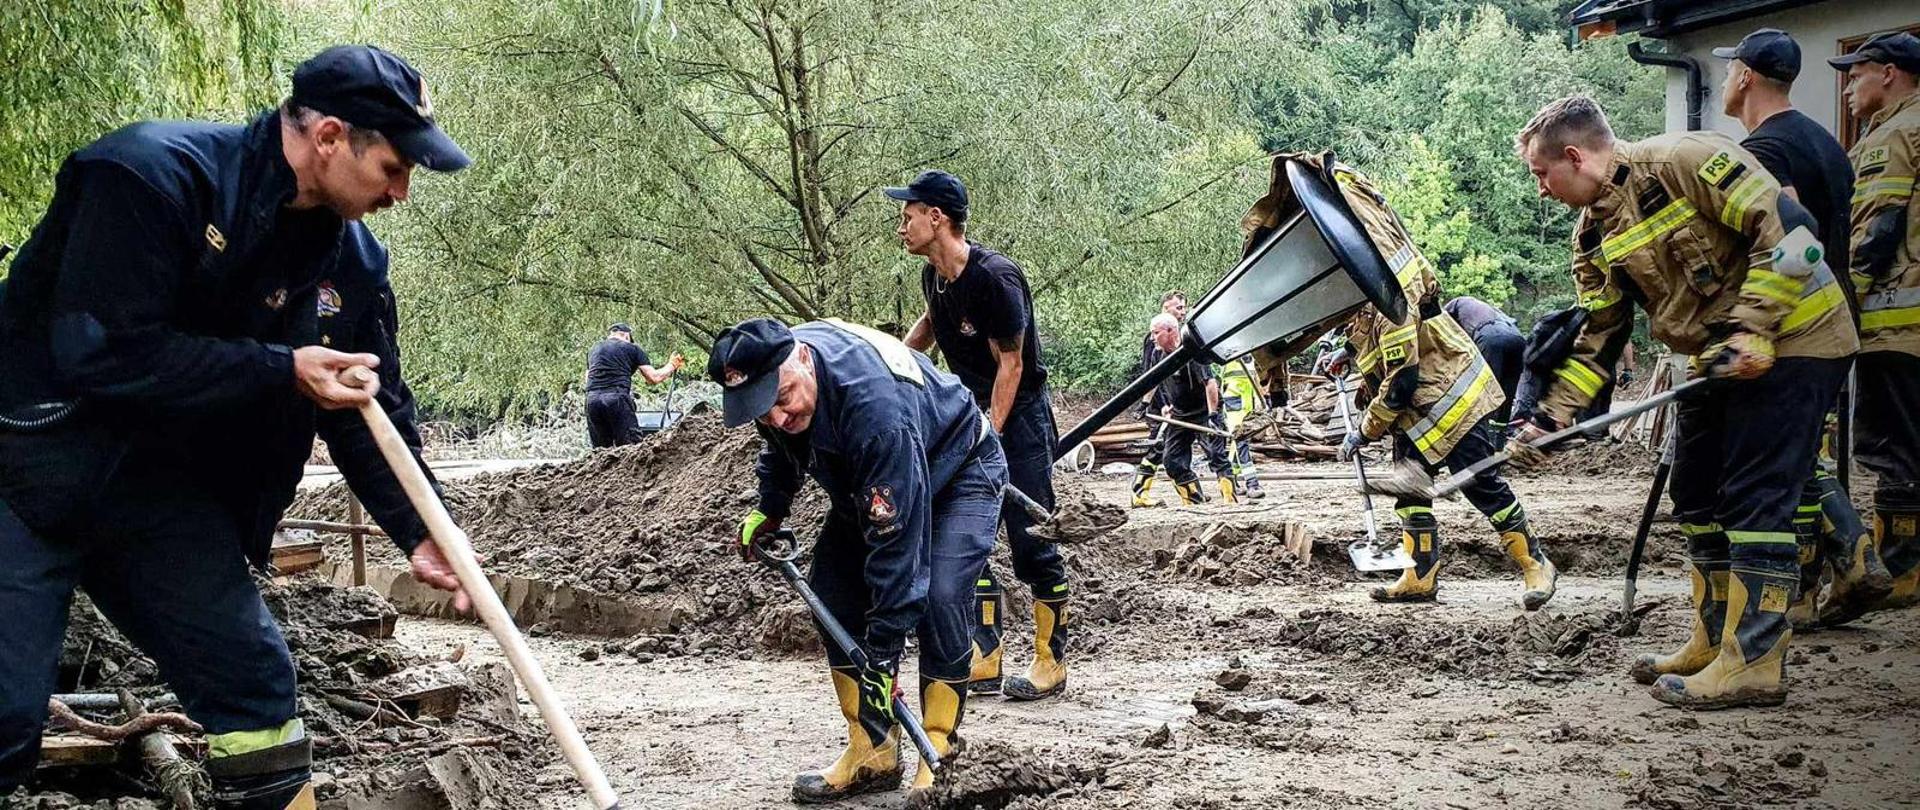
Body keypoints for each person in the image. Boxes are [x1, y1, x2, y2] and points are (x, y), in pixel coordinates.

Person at [0, 45, 471, 808]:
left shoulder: (351, 264)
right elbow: (101, 352)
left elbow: (366, 410)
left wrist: (425, 530)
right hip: (27, 464)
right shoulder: (147, 177)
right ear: (328, 138)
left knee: (252, 685)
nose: (403, 192)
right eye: (393, 167)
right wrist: (281, 370)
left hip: (153, 494)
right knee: (5, 719)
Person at [1513, 95, 1856, 709]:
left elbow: (1792, 233)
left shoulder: (1684, 160)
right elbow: (1600, 337)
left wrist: (1753, 327)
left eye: (1542, 174)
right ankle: (1712, 638)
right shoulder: (1592, 235)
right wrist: (1552, 417)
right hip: (1714, 361)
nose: (1541, 189)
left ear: (1573, 155)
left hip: (1798, 338)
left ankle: (1752, 661)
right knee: (1695, 493)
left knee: (1755, 497)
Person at [721, 317, 1007, 802]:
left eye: (783, 399)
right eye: (761, 410)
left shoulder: (875, 413)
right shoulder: (781, 384)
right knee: (832, 586)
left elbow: (896, 554)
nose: (777, 418)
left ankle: (940, 752)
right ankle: (871, 750)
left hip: (961, 468)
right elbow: (779, 445)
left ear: (804, 360)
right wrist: (770, 506)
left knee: (938, 597)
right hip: (882, 473)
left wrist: (882, 654)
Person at [1315, 164, 1553, 612]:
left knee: (1483, 485)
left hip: (1453, 405)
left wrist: (1362, 432)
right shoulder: (1363, 303)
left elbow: (1400, 382)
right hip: (1419, 418)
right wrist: (1348, 352)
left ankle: (1536, 564)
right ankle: (1419, 575)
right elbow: (1372, 347)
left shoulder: (1389, 302)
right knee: (1409, 493)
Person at [1715, 27, 1891, 628]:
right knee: (1804, 449)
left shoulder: (1765, 150)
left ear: (1745, 77)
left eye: (1728, 69)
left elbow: (1791, 234)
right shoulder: (1824, 140)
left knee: (1778, 461)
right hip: (1837, 319)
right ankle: (1819, 578)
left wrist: (1748, 322)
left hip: (1791, 326)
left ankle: (1848, 550)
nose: (1723, 81)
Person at [894, 170, 1070, 701]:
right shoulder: (935, 276)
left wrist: (989, 435)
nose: (901, 226)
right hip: (965, 417)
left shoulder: (995, 278)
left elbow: (1011, 366)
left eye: (908, 216)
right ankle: (984, 654)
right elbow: (929, 326)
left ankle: (1050, 660)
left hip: (1017, 419)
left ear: (936, 217)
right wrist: (893, 364)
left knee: (1030, 537)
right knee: (964, 534)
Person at [1833, 32, 1920, 612]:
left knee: (1893, 444)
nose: (1846, 86)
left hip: (1896, 319)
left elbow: (1876, 232)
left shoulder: (1894, 135)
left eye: (1856, 72)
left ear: (1888, 73)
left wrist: (1838, 306)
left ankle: (1904, 569)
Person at [1146, 314, 1239, 504]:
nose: (1152, 338)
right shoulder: (1158, 354)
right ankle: (1193, 501)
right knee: (1172, 460)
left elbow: (1210, 384)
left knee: (1216, 455)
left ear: (1171, 331)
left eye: (1156, 333)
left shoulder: (1191, 352)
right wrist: (1146, 403)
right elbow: (1154, 381)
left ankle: (1230, 501)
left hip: (1203, 412)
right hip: (1179, 416)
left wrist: (1213, 414)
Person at [583, 323, 684, 448]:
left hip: (592, 401)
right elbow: (653, 378)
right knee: (631, 449)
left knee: (601, 452)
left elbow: (587, 379)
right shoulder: (632, 348)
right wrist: (672, 365)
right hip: (617, 399)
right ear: (627, 336)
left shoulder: (594, 349)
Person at [1129, 290, 1187, 507]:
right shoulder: (1156, 336)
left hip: (1177, 402)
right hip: (1161, 402)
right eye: (1178, 307)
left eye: (1183, 307)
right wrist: (1156, 403)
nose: (1183, 312)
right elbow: (1152, 374)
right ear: (1166, 308)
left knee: (1177, 447)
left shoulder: (1179, 336)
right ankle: (1138, 494)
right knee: (1160, 447)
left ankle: (1191, 491)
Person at [1442, 295, 1526, 443]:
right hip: (1518, 338)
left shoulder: (1454, 306)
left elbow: (1444, 333)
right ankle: (1499, 444)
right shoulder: (1488, 309)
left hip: (1491, 336)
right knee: (1506, 394)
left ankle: (1482, 443)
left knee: (1483, 394)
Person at [1217, 359, 1267, 499]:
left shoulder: (1252, 355)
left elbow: (1255, 378)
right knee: (1241, 441)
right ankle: (1252, 483)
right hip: (1233, 401)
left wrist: (1259, 398)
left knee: (1237, 444)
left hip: (1248, 401)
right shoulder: (1230, 351)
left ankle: (1230, 480)